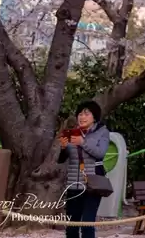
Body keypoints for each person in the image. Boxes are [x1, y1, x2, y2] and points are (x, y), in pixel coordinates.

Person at [58, 101, 111, 238]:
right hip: (73, 185)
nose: (82, 117)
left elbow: (100, 153)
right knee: (71, 227)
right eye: (80, 114)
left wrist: (83, 142)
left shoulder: (102, 132)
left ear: (94, 117)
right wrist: (63, 148)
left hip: (91, 185)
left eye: (86, 114)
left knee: (87, 225)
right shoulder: (72, 133)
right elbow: (62, 160)